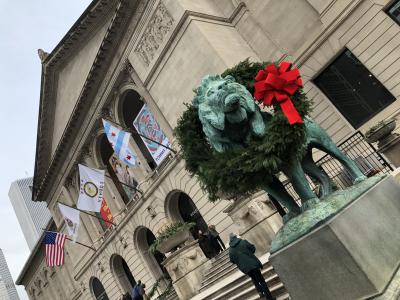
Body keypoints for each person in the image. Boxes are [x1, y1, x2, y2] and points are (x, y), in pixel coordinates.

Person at [228, 234, 275, 300]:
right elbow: (253, 248)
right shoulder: (243, 242)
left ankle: (261, 293)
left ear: (230, 240)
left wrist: (239, 261)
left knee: (254, 279)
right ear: (236, 237)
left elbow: (232, 260)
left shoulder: (231, 250)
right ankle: (269, 297)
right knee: (261, 280)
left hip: (245, 268)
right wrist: (249, 254)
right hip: (253, 264)